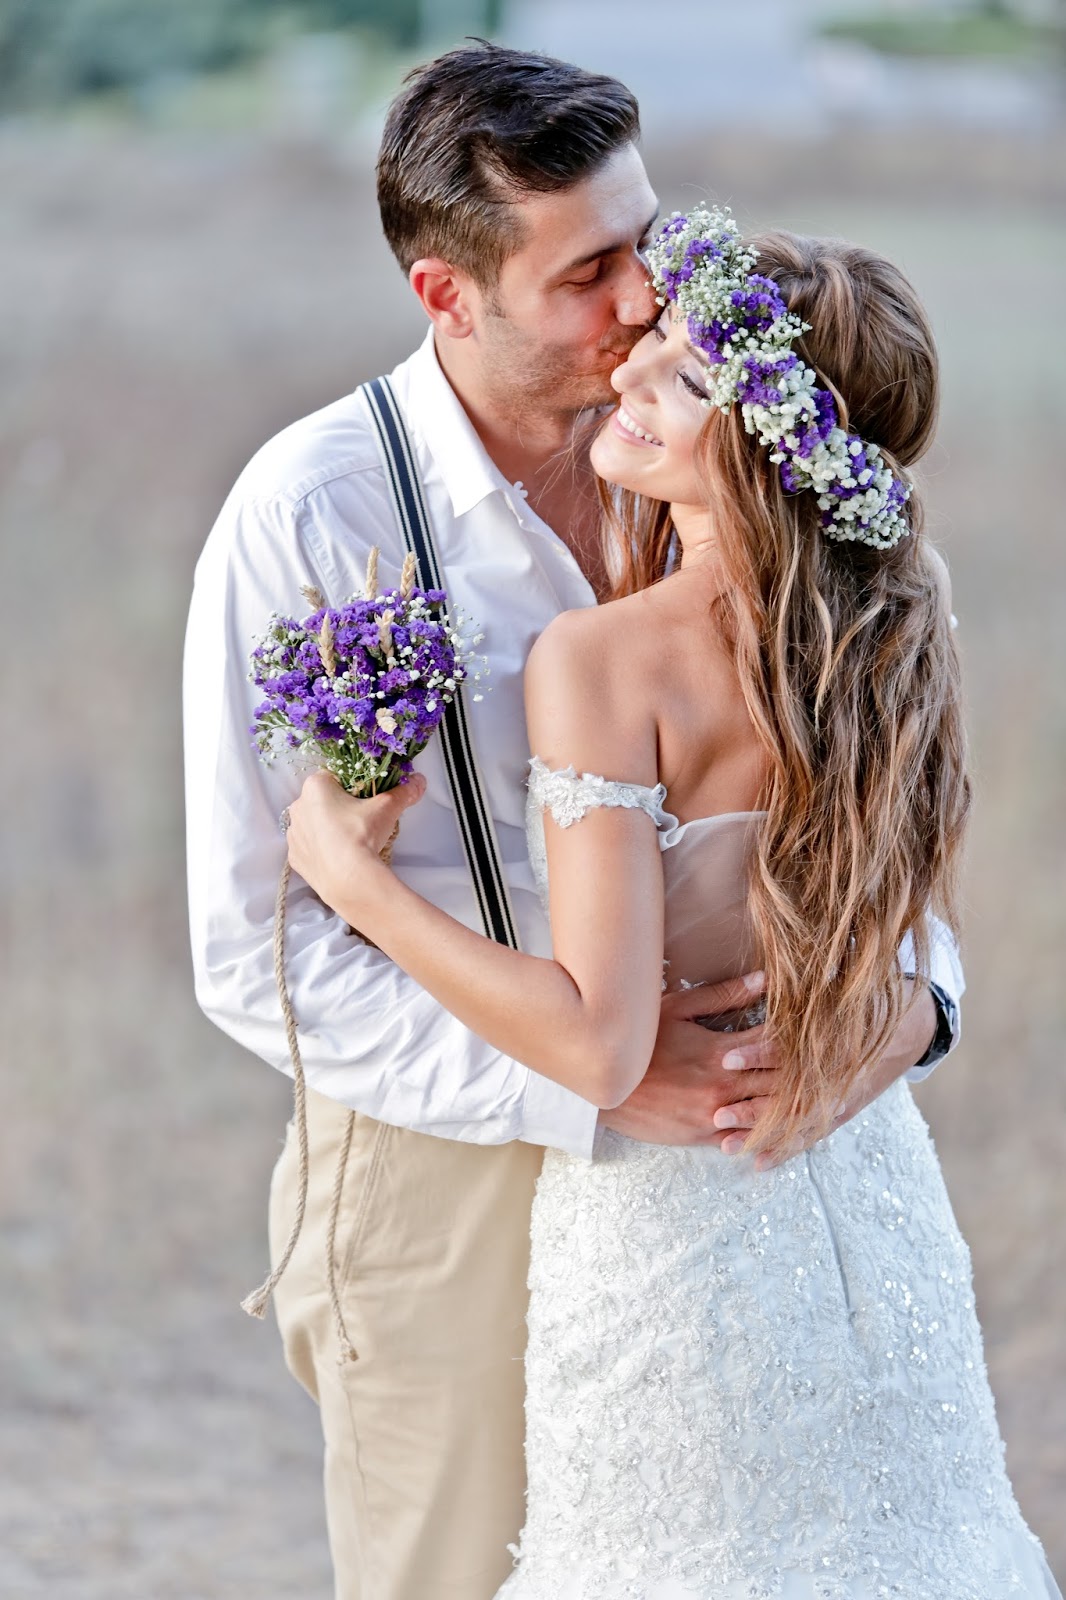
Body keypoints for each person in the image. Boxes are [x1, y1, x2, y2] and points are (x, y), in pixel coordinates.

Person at [183, 43, 963, 1600]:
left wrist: (919, 1002)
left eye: (645, 241)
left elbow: (854, 777)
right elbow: (249, 944)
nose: (642, 307)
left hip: (737, 1184)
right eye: (587, 271)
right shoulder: (314, 513)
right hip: (442, 1174)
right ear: (445, 295)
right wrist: (591, 1091)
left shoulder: (703, 446)